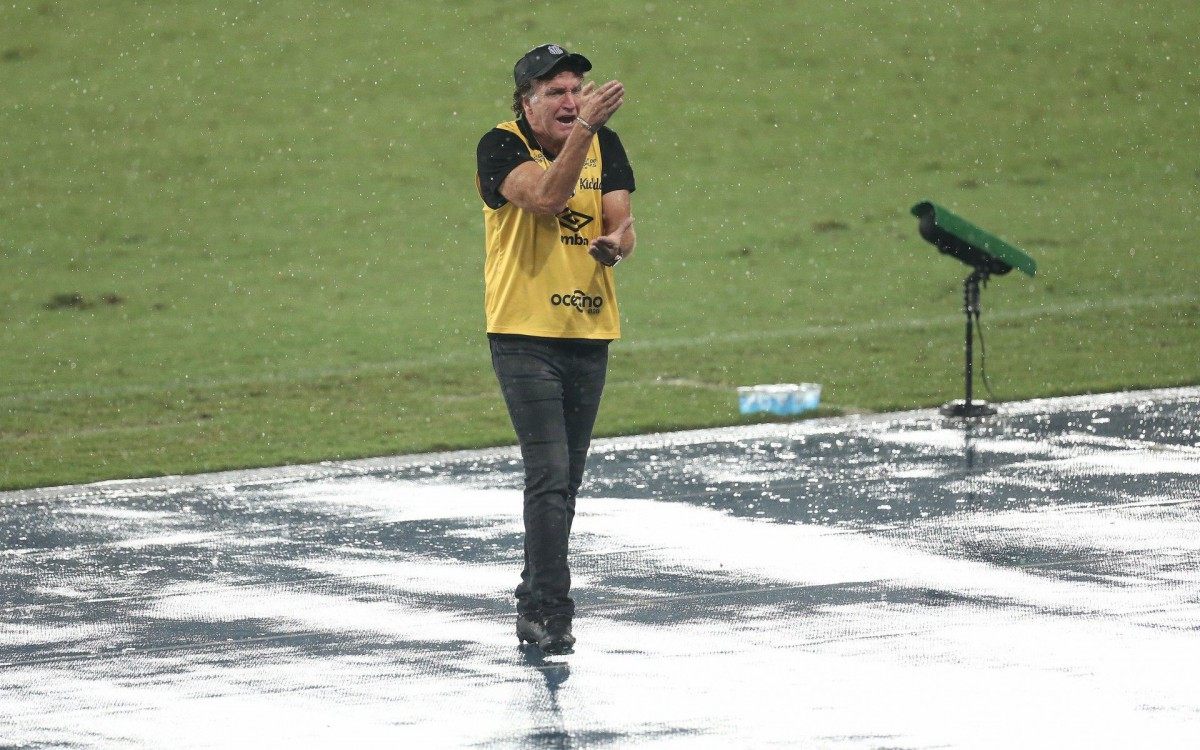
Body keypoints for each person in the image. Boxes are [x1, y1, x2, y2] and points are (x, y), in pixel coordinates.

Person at [475, 43, 636, 654]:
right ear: (525, 102)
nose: (570, 102)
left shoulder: (607, 145)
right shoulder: (500, 145)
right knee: (548, 473)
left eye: (576, 90)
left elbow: (621, 224)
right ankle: (546, 610)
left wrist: (616, 245)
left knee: (567, 480)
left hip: (589, 329)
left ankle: (538, 593)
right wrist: (586, 129)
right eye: (555, 93)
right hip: (524, 333)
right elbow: (545, 198)